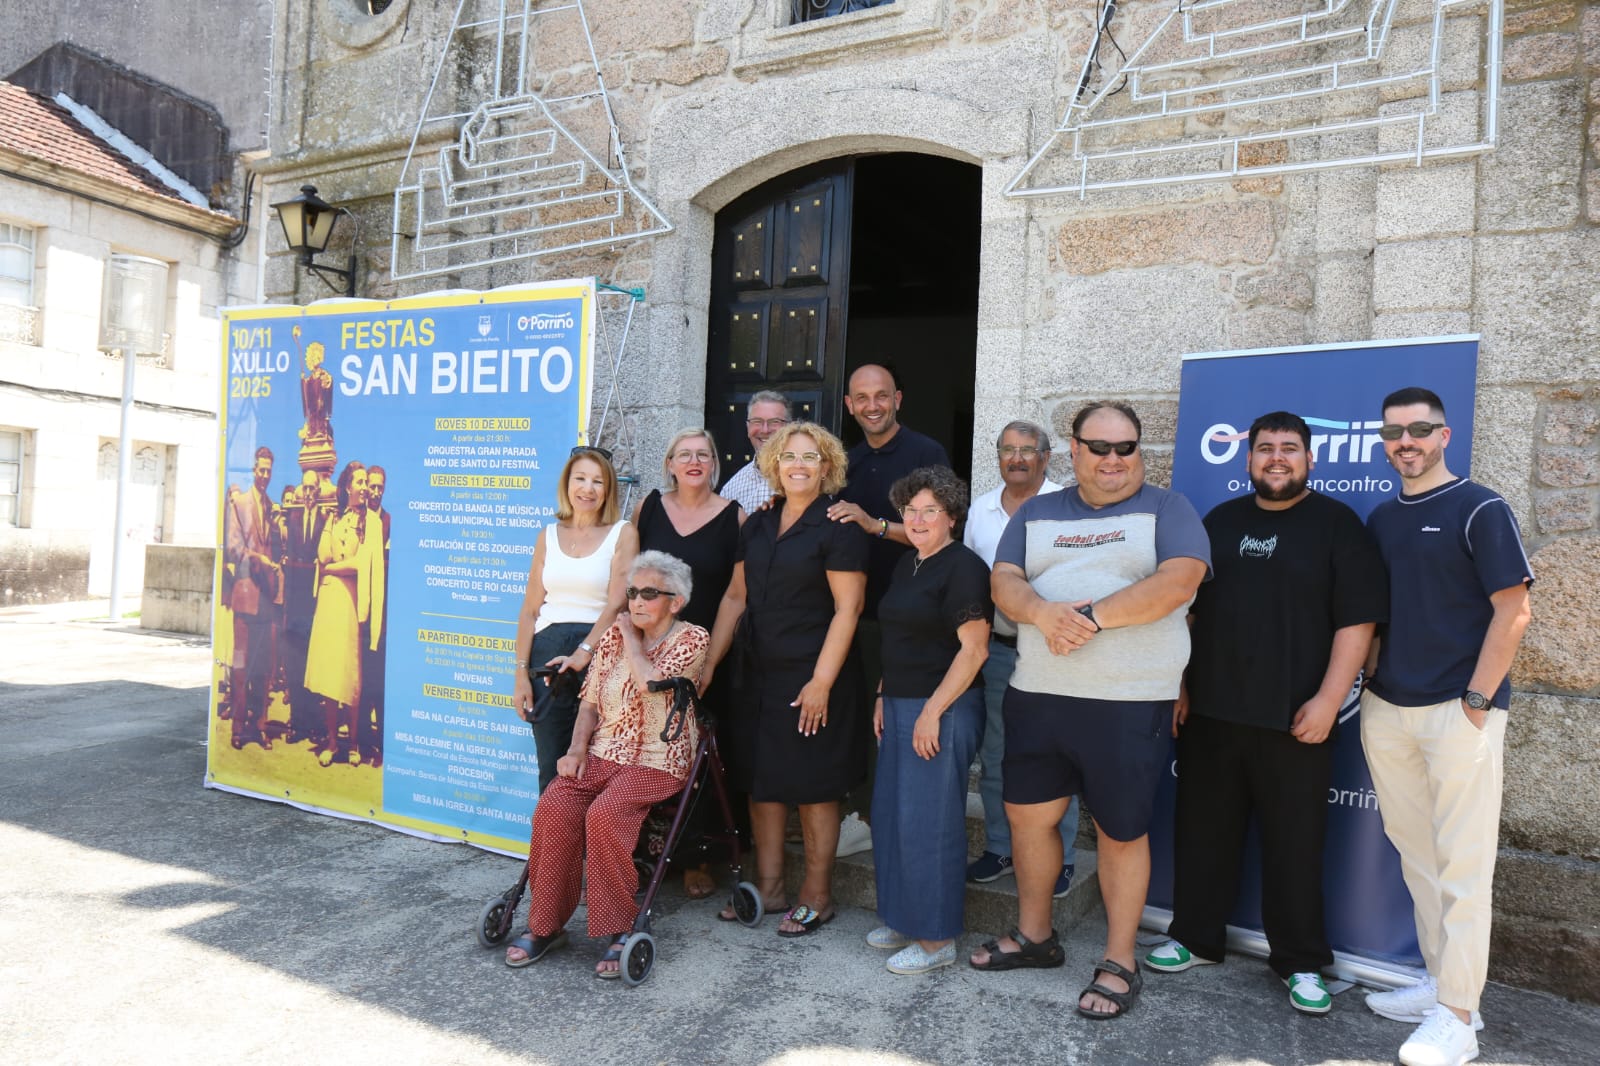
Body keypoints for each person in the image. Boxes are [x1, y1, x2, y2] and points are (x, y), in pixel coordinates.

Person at [1143, 411, 1388, 1015]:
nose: (1277, 458)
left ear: (1310, 459)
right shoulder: (1220, 522)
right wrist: (1177, 683)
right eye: (1265, 449)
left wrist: (1331, 699)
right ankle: (1194, 936)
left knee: (1295, 845)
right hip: (1212, 713)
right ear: (1247, 459)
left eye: (1290, 449)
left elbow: (1356, 622)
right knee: (1203, 833)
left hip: (1295, 718)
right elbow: (1187, 613)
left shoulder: (1338, 525)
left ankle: (1301, 962)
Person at [973, 401, 1210, 1023]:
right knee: (1028, 820)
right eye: (1099, 447)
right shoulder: (1038, 511)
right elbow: (1004, 583)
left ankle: (1120, 959)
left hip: (1129, 702)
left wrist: (1088, 618)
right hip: (1039, 695)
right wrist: (1042, 613)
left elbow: (1179, 582)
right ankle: (1035, 936)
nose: (1113, 459)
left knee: (1120, 831)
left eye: (1126, 448)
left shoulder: (1168, 509)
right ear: (1073, 450)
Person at [1359, 387, 1533, 1066]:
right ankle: (1440, 983)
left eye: (1419, 430)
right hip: (1389, 707)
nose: (1406, 442)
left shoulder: (1481, 508)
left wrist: (1478, 701)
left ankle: (1460, 1018)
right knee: (1418, 856)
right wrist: (1368, 683)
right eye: (1394, 433)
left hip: (1460, 711)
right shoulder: (1380, 517)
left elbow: (1512, 610)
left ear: (1444, 435)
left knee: (1464, 866)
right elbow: (1378, 614)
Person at [503, 552, 710, 976]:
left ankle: (620, 926)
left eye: (649, 594)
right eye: (632, 593)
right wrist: (577, 750)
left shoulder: (692, 639)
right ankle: (545, 925)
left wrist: (632, 639)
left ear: (676, 602)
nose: (635, 602)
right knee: (556, 804)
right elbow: (590, 702)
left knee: (605, 813)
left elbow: (651, 682)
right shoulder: (613, 639)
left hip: (658, 759)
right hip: (604, 753)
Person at [705, 422, 868, 935]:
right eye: (789, 455)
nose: (799, 464)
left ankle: (818, 897)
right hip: (756, 672)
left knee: (815, 785)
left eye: (810, 456)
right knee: (762, 781)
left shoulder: (839, 526)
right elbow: (735, 597)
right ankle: (769, 889)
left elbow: (849, 609)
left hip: (814, 671)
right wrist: (709, 663)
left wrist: (821, 682)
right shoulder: (756, 523)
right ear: (773, 463)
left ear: (828, 467)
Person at [867, 466, 991, 975]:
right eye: (910, 511)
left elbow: (975, 649)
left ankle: (938, 940)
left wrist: (932, 712)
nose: (917, 520)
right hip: (899, 701)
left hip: (944, 706)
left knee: (929, 823)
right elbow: (896, 638)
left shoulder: (963, 567)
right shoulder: (909, 563)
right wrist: (881, 694)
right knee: (894, 816)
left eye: (930, 512)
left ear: (953, 518)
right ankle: (904, 916)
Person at [826, 364, 950, 855]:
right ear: (849, 405)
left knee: (897, 722)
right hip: (850, 612)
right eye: (862, 398)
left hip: (910, 614)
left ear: (897, 398)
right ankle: (861, 812)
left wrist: (873, 524)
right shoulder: (845, 461)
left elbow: (940, 530)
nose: (872, 405)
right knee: (855, 715)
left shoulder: (926, 453)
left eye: (881, 396)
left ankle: (889, 821)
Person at [963, 420, 1079, 898]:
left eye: (1026, 450)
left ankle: (1064, 857)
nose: (1016, 458)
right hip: (998, 653)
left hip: (1054, 654)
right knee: (995, 754)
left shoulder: (1068, 507)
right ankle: (999, 848)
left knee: (1057, 755)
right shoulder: (981, 510)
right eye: (1007, 449)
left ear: (1046, 457)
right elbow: (971, 582)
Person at [633, 428, 743, 898]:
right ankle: (640, 853)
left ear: (714, 464)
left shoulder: (734, 516)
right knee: (640, 750)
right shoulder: (649, 508)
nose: (694, 461)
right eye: (685, 454)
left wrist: (710, 663)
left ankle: (697, 858)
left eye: (704, 454)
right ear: (670, 463)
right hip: (648, 651)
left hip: (706, 652)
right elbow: (631, 580)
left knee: (698, 757)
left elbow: (736, 596)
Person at [513, 447, 638, 792]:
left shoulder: (623, 533)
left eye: (598, 481)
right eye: (580, 478)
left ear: (609, 488)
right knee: (551, 762)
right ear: (567, 484)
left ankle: (591, 847)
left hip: (600, 652)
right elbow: (529, 610)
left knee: (593, 765)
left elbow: (618, 602)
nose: (588, 488)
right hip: (547, 656)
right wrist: (521, 674)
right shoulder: (548, 535)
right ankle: (552, 846)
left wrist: (585, 650)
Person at [304, 460, 381, 767]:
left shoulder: (371, 522)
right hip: (329, 601)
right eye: (359, 482)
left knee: (350, 674)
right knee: (329, 673)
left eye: (366, 482)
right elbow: (321, 555)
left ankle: (354, 743)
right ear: (348, 486)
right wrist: (329, 525)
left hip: (350, 601)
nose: (363, 488)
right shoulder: (335, 517)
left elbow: (359, 564)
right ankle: (333, 741)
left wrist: (334, 567)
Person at [224, 446, 281, 750]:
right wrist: (258, 558)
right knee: (240, 664)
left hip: (267, 599)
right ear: (253, 470)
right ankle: (237, 727)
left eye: (269, 470)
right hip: (245, 594)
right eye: (261, 470)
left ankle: (259, 726)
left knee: (264, 667)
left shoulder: (273, 507)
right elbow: (233, 548)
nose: (265, 475)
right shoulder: (240, 504)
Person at [280, 471, 327, 744]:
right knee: (295, 663)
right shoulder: (293, 520)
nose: (308, 494)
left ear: (319, 491)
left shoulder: (326, 520)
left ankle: (314, 723)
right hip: (295, 604)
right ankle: (297, 722)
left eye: (312, 489)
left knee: (314, 664)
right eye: (305, 489)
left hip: (316, 604)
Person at [359, 465, 391, 766]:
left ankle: (379, 745)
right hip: (358, 613)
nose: (375, 490)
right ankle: (362, 744)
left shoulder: (389, 522)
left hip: (383, 616)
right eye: (372, 485)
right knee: (360, 681)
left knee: (378, 681)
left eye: (380, 486)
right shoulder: (357, 521)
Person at [719, 391, 790, 513]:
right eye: (757, 421)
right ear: (747, 427)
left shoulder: (806, 477)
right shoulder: (731, 490)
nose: (765, 430)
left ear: (789, 427)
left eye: (774, 422)